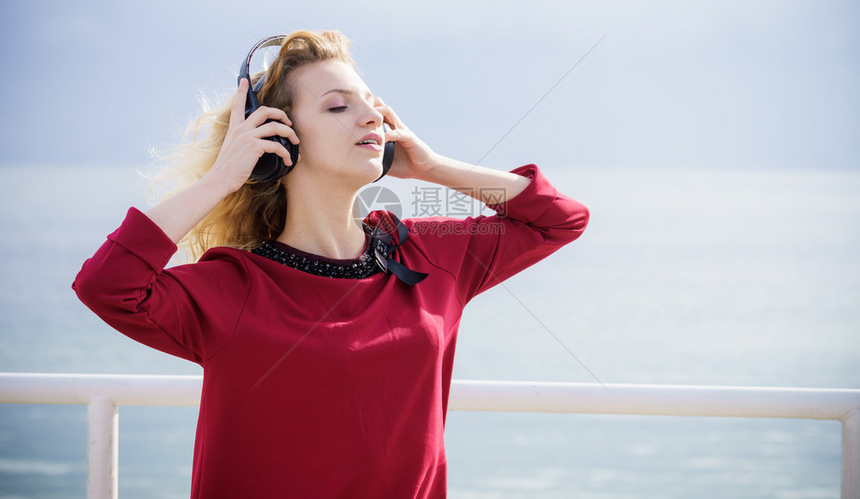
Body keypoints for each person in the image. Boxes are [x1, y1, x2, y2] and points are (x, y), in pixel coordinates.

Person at [73, 29, 590, 498]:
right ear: (277, 141)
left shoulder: (426, 254)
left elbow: (559, 220)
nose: (371, 117)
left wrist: (433, 167)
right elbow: (108, 286)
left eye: (372, 105)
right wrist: (222, 178)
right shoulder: (231, 286)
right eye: (338, 107)